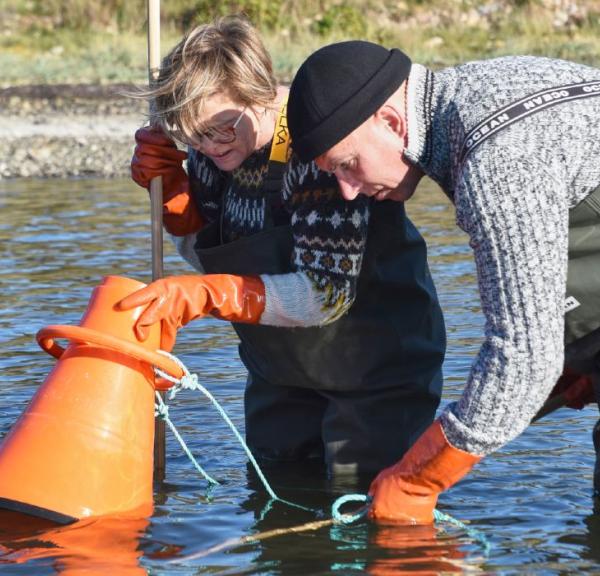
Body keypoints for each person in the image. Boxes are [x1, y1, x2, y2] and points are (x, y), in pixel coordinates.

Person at [119, 16, 446, 481]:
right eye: (192, 134)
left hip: (375, 367)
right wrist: (175, 199)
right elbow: (217, 254)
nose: (210, 147)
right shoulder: (212, 153)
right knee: (273, 489)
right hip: (279, 371)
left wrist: (206, 296)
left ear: (260, 91)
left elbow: (324, 295)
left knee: (367, 504)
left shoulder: (317, 151)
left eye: (222, 129)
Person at [285, 40, 600, 521]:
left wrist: (417, 479)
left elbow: (523, 359)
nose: (347, 191)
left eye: (347, 164)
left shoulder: (497, 159)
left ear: (390, 122)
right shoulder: (492, 86)